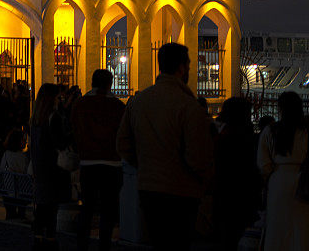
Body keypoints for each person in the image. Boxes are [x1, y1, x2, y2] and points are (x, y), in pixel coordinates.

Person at [116, 43, 214, 251]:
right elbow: (197, 157)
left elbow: (122, 143)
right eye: (188, 64)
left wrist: (144, 165)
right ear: (181, 68)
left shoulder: (138, 101)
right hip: (182, 192)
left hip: (149, 188)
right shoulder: (188, 106)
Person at [70, 69, 126, 251]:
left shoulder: (81, 104)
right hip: (113, 163)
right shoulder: (118, 106)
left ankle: (82, 245)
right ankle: (104, 245)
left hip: (88, 162)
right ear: (110, 84)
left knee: (87, 207)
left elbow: (73, 131)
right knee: (108, 210)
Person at [257, 91, 309, 250]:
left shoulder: (270, 131)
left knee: (277, 226)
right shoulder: (305, 132)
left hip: (277, 181)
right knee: (301, 226)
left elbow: (263, 164)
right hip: (303, 180)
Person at [213, 97, 260, 250]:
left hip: (223, 187)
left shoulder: (221, 134)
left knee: (226, 233)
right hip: (243, 190)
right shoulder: (246, 135)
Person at [30, 83, 69, 250]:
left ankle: (38, 237)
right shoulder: (54, 118)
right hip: (53, 166)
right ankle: (51, 238)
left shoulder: (35, 118)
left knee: (42, 205)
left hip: (40, 166)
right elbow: (60, 141)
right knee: (52, 206)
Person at [0, 128, 29, 220]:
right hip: (22, 193)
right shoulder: (23, 157)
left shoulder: (6, 155)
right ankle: (21, 216)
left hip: (8, 192)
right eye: (24, 140)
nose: (25, 142)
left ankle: (10, 216)